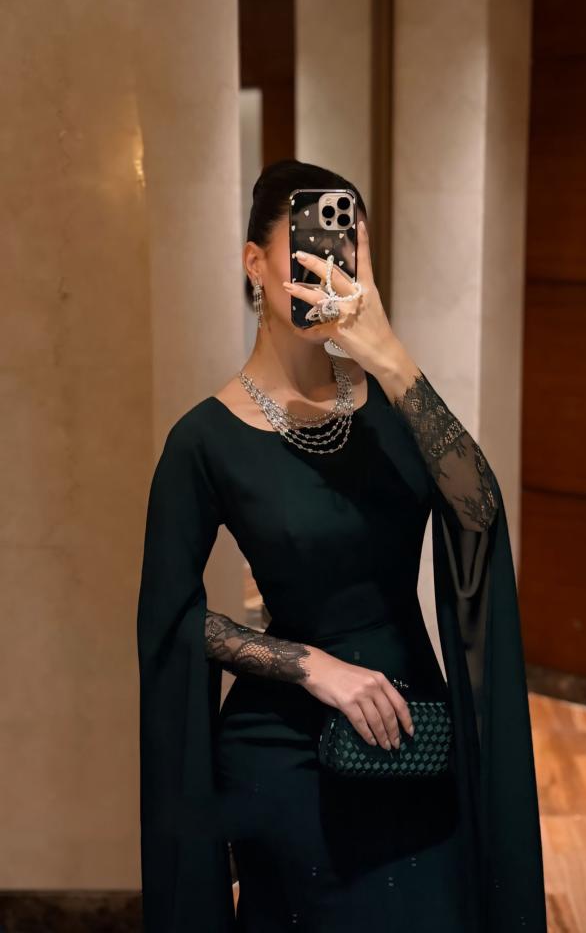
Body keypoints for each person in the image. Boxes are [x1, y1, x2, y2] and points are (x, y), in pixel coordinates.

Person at [136, 159, 547, 932]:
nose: (326, 261)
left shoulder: (394, 401)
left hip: (414, 734)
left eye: (346, 244)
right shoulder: (203, 440)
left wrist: (386, 350)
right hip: (286, 755)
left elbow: (478, 511)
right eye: (305, 244)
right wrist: (309, 665)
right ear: (254, 261)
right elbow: (171, 617)